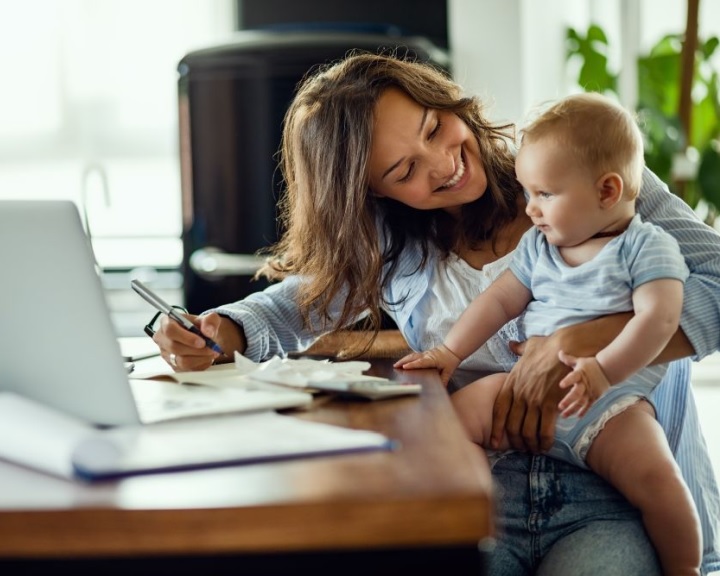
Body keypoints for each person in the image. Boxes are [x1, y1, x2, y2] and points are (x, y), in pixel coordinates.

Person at [150, 52, 720, 575]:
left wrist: (584, 339)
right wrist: (219, 328)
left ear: (444, 100)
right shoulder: (393, 242)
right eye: (404, 172)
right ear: (371, 195)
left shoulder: (582, 174)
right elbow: (293, 306)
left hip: (616, 487)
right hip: (480, 486)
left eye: (433, 128)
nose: (444, 163)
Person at [394, 92, 700, 575]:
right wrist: (450, 351)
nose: (530, 209)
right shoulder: (540, 247)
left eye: (545, 195)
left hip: (610, 403)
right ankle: (475, 513)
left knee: (657, 477)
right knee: (452, 420)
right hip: (523, 387)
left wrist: (601, 370)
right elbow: (498, 300)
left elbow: (658, 322)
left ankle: (685, 566)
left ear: (606, 192)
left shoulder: (646, 246)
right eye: (528, 193)